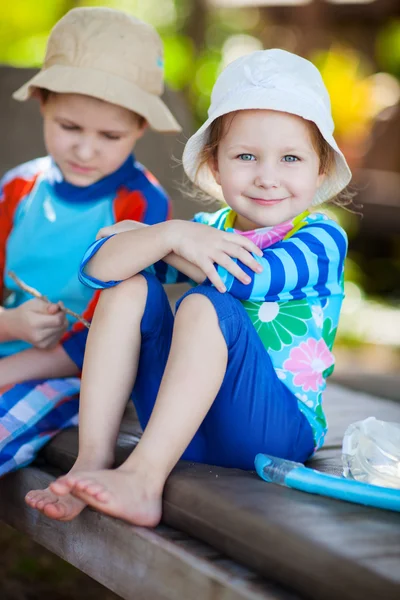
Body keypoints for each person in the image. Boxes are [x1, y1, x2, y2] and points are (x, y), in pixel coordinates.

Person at [26, 49, 351, 526]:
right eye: (245, 156)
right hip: (187, 428)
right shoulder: (207, 228)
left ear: (319, 170)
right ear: (215, 166)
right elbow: (97, 271)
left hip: (270, 432)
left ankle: (143, 479)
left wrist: (159, 240)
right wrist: (170, 235)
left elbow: (245, 277)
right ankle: (92, 462)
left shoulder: (321, 239)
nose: (267, 176)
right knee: (128, 288)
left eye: (290, 158)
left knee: (206, 305)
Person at [0, 7, 181, 477]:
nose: (85, 149)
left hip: (79, 379)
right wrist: (11, 324)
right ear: (41, 102)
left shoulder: (142, 206)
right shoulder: (16, 189)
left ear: (141, 126)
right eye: (69, 127)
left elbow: (121, 326)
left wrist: (14, 369)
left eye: (110, 135)